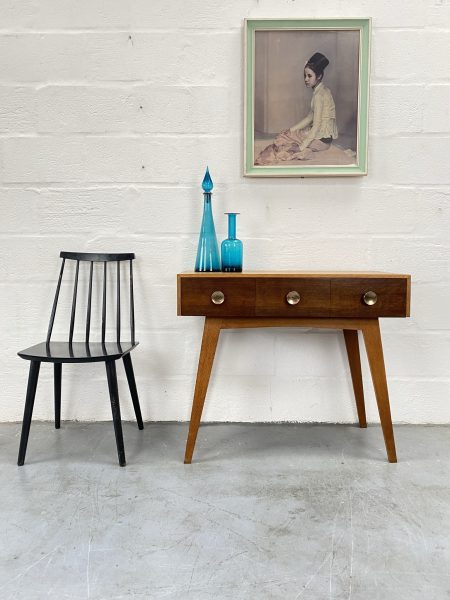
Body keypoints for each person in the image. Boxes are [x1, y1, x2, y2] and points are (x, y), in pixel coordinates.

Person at [255, 52, 338, 165]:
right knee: (290, 134)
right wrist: (291, 130)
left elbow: (317, 125)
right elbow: (310, 117)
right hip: (325, 139)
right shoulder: (323, 90)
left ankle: (306, 150)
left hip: (321, 141)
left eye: (309, 76)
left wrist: (301, 147)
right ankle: (303, 146)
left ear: (319, 76)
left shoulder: (319, 95)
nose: (306, 79)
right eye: (305, 76)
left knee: (284, 141)